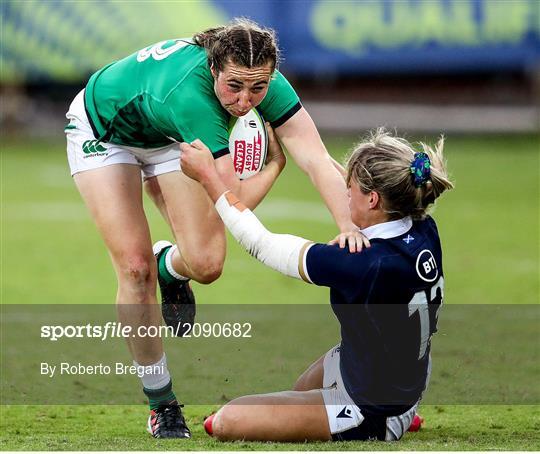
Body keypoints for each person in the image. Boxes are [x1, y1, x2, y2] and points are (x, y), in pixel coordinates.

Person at [64, 18, 361, 438]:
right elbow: (232, 204)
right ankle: (161, 403)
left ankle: (169, 266)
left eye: (257, 88)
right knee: (134, 268)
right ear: (213, 68)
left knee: (206, 263)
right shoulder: (194, 99)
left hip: (168, 135)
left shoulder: (267, 84)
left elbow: (316, 158)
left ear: (271, 76)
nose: (244, 102)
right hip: (105, 130)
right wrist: (275, 166)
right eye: (234, 86)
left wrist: (348, 225)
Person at [180, 128, 454, 442]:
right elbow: (365, 200)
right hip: (393, 372)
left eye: (349, 188)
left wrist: (209, 178)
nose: (344, 193)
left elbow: (263, 245)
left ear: (374, 199)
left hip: (368, 410)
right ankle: (403, 412)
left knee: (227, 421)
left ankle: (393, 421)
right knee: (298, 392)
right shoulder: (422, 227)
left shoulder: (361, 262)